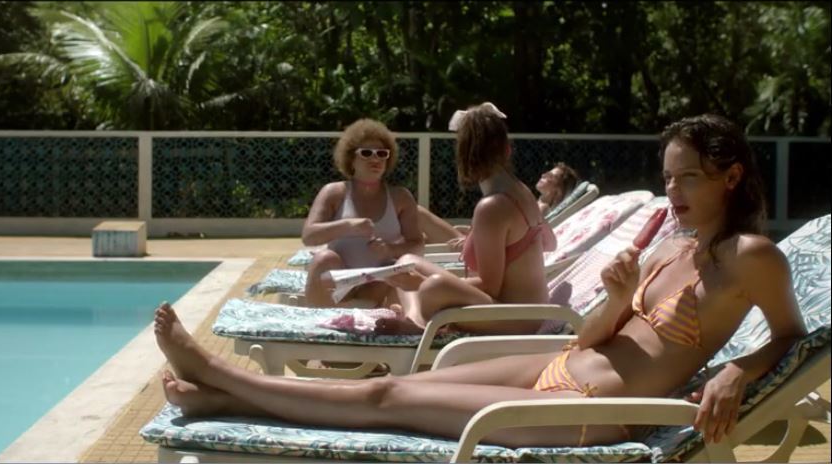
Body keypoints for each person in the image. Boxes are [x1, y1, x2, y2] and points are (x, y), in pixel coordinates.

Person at [154, 113, 806, 448]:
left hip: (590, 410)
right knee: (390, 388)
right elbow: (595, 337)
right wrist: (614, 299)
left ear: (731, 177)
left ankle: (223, 378)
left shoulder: (752, 256)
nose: (674, 190)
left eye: (688, 176)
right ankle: (222, 402)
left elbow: (791, 336)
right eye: (668, 176)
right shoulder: (671, 245)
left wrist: (737, 370)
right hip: (563, 363)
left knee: (387, 400)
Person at [375, 102, 557, 335]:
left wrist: (419, 283)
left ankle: (418, 325)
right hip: (527, 312)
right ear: (507, 150)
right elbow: (550, 243)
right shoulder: (520, 190)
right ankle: (415, 320)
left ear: (464, 155)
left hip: (515, 317)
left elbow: (491, 288)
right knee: (406, 261)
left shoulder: (492, 206)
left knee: (433, 287)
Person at [300, 118, 424, 307]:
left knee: (397, 269)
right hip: (339, 280)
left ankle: (371, 312)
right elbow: (309, 236)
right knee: (324, 259)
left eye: (382, 153)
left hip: (379, 283)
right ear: (351, 159)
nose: (375, 159)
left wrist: (391, 250)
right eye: (366, 153)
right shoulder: (334, 192)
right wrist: (347, 226)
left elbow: (418, 245)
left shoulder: (400, 197)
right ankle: (321, 316)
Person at [417, 162, 580, 248]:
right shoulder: (535, 205)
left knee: (419, 214)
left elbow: (514, 237)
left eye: (550, 176)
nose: (544, 174)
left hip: (480, 249)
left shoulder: (540, 210)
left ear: (558, 191)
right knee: (423, 236)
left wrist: (473, 238)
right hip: (480, 245)